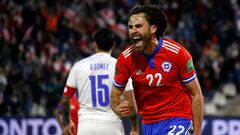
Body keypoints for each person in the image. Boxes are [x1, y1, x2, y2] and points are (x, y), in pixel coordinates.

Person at [110, 4, 204, 135]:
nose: (133, 31)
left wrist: (197, 132)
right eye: (130, 27)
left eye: (138, 26)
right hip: (149, 124)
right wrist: (116, 107)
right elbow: (115, 93)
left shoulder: (177, 53)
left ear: (153, 28)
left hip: (178, 118)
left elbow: (196, 94)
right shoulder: (126, 59)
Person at [59, 28, 138, 135]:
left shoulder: (78, 66)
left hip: (86, 126)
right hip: (112, 125)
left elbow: (65, 99)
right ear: (113, 45)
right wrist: (134, 128)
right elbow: (131, 103)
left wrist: (68, 123)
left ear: (94, 45)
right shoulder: (120, 66)